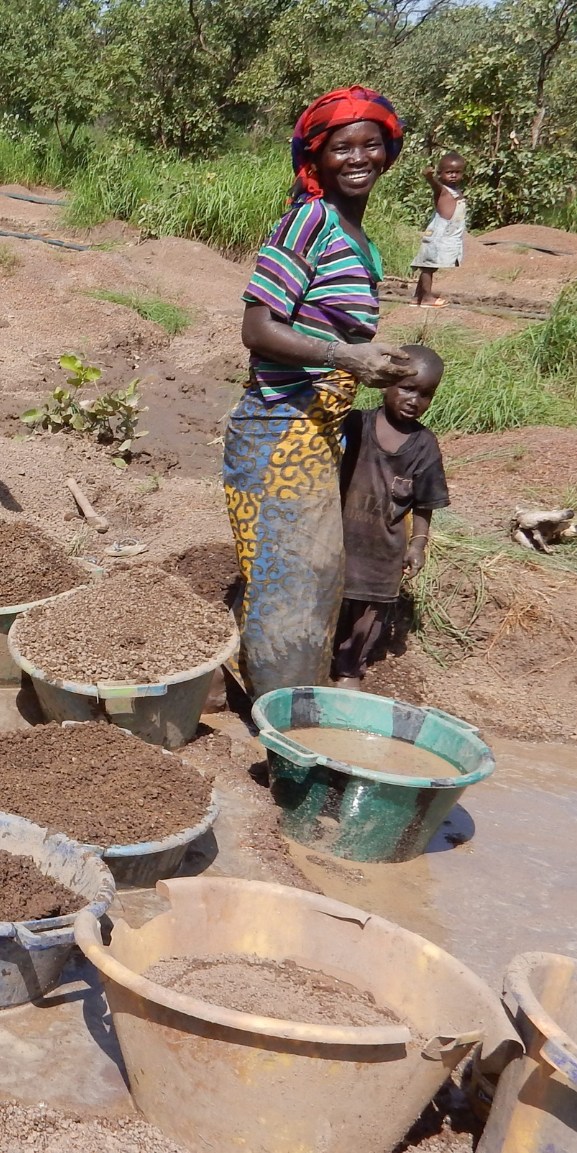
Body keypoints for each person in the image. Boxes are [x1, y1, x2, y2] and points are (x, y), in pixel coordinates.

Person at [226, 86, 417, 696]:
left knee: (310, 580)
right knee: (292, 584)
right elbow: (257, 328)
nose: (358, 157)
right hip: (277, 428)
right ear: (316, 157)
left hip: (317, 432)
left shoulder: (360, 238)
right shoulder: (308, 220)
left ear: (388, 152)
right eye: (341, 147)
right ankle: (281, 734)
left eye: (371, 144)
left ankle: (278, 705)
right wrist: (345, 356)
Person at [333, 345, 449, 688]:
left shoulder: (425, 445)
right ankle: (319, 658)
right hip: (339, 541)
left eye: (426, 394)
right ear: (385, 384)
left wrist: (418, 545)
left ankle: (350, 669)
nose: (415, 399)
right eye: (408, 388)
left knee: (368, 616)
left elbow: (424, 503)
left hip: (382, 553)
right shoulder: (355, 424)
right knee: (328, 602)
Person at [410, 153, 467, 308]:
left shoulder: (457, 192)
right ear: (440, 174)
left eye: (457, 172)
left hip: (448, 236)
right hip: (438, 235)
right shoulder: (442, 190)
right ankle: (427, 298)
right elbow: (434, 184)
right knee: (428, 265)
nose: (453, 175)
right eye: (449, 172)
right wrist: (429, 177)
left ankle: (418, 296)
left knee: (430, 266)